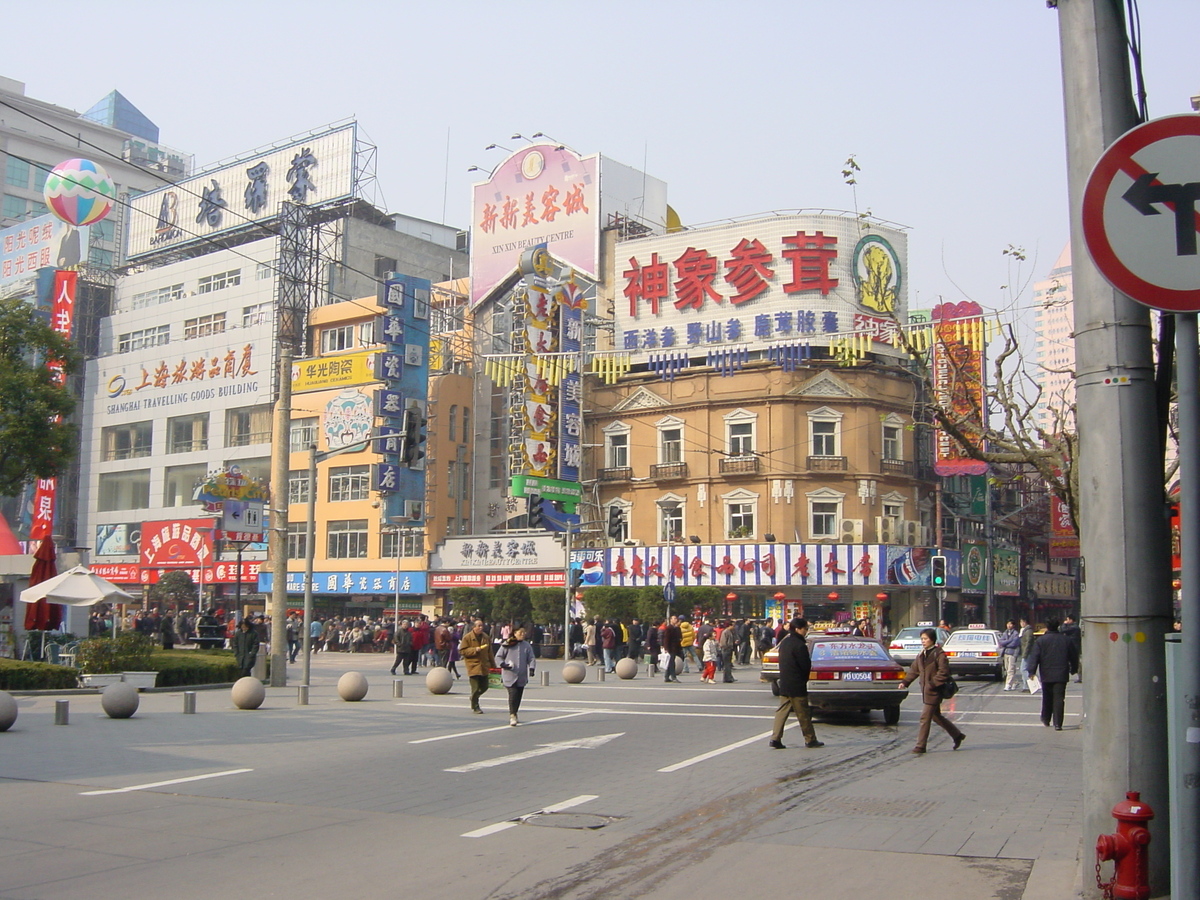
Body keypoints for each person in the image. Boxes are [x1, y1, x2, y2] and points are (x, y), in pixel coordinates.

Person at [899, 627, 965, 753]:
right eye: (922, 639)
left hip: (935, 691)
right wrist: (905, 682)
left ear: (932, 640)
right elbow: (914, 670)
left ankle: (920, 746)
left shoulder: (939, 654)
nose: (923, 641)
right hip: (926, 691)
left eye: (925, 639)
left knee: (925, 717)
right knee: (936, 716)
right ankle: (957, 735)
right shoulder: (922, 654)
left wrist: (932, 684)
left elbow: (943, 672)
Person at [768, 618, 824, 749]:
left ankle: (775, 738)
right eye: (805, 629)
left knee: (782, 711)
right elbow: (805, 666)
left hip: (785, 682)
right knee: (803, 714)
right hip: (797, 683)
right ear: (798, 629)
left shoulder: (785, 642)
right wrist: (804, 680)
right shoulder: (799, 645)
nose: (806, 631)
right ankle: (810, 739)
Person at [1025, 618, 1079, 730]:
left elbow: (1035, 657)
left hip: (1046, 673)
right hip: (1061, 673)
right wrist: (1074, 669)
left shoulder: (1041, 641)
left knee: (1047, 697)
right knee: (1059, 699)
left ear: (1047, 627)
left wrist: (1031, 671)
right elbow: (1074, 656)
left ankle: (1046, 718)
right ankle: (1058, 723)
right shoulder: (1066, 640)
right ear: (1058, 626)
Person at [494, 626, 535, 725]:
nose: (522, 634)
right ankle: (512, 714)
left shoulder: (527, 646)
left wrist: (532, 668)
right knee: (513, 694)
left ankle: (515, 712)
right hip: (509, 674)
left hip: (521, 675)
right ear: (514, 633)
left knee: (519, 695)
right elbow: (498, 656)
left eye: (524, 632)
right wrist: (503, 664)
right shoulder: (507, 644)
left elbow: (531, 658)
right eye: (520, 632)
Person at [459, 619, 496, 713]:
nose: (481, 628)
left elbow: (490, 653)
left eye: (482, 626)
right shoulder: (467, 637)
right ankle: (475, 706)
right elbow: (462, 651)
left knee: (485, 686)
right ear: (473, 627)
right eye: (478, 626)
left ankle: (473, 698)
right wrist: (474, 650)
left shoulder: (486, 637)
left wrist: (494, 666)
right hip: (473, 666)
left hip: (484, 665)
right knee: (475, 688)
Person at [999, 620, 1022, 690]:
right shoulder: (1005, 632)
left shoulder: (1015, 633)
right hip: (1005, 652)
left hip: (1012, 653)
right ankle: (1015, 682)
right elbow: (1001, 642)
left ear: (1013, 625)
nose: (1009, 625)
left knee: (1010, 669)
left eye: (1010, 624)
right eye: (1008, 624)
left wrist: (1006, 643)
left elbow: (1014, 643)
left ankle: (1008, 684)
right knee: (1007, 668)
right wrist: (1009, 641)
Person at [1061, 614, 1083, 682]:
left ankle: (1080, 676)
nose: (1066, 621)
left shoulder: (1074, 627)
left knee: (1076, 662)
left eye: (1067, 619)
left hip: (1074, 647)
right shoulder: (1073, 627)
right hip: (1072, 646)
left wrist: (1064, 624)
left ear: (1071, 620)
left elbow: (1062, 630)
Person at [662, 615, 683, 682]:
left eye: (676, 618)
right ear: (670, 620)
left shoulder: (677, 628)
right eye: (673, 619)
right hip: (670, 647)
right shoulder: (669, 628)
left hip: (676, 647)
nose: (675, 620)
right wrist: (666, 648)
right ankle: (673, 676)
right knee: (671, 662)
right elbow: (666, 639)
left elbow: (680, 637)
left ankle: (666, 676)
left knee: (670, 661)